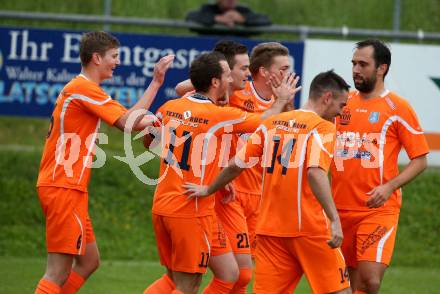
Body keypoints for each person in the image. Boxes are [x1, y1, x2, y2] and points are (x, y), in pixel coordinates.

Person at [143, 51, 300, 294]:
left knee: (229, 274)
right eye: (227, 75)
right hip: (189, 208)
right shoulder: (217, 115)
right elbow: (265, 121)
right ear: (215, 82)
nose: (231, 79)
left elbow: (148, 141)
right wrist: (281, 100)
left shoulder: (169, 107)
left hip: (163, 203)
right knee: (188, 284)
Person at [184, 70, 352, 294]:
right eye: (341, 106)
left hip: (271, 231)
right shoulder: (323, 128)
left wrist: (209, 188)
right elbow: (315, 172)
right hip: (311, 229)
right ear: (327, 97)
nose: (340, 113)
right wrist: (334, 219)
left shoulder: (273, 122)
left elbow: (236, 164)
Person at [34, 31, 174, 294]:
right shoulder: (83, 88)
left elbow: (129, 119)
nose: (117, 62)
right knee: (57, 271)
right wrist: (159, 106)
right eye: (114, 56)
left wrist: (156, 95)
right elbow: (127, 123)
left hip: (68, 186)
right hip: (63, 186)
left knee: (88, 261)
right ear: (97, 58)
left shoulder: (85, 89)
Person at [331, 39, 429, 294]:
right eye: (353, 64)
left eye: (363, 64)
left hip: (378, 209)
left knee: (370, 279)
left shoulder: (398, 108)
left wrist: (389, 187)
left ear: (381, 68)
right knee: (349, 284)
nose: (355, 70)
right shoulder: (342, 104)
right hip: (338, 209)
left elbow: (420, 160)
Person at [186, 0, 271, 36]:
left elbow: (265, 20)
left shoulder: (243, 11)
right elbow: (190, 16)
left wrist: (243, 19)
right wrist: (217, 18)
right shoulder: (208, 9)